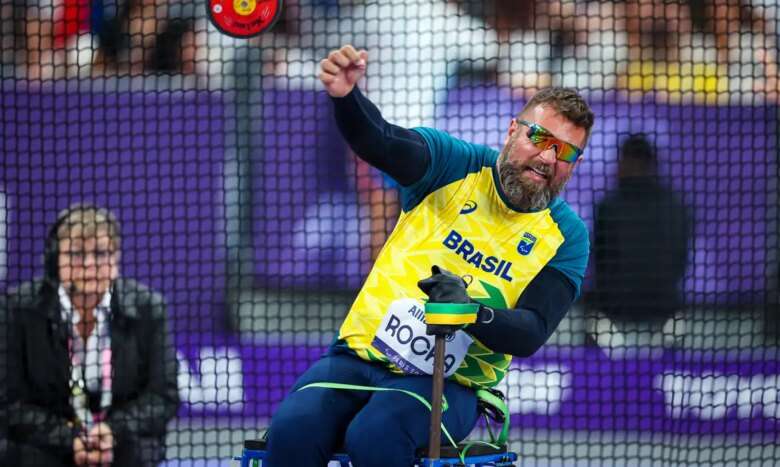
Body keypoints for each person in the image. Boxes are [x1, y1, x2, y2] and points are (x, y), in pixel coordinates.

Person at [264, 44, 594, 467]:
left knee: (375, 436)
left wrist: (467, 311)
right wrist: (347, 98)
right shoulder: (453, 165)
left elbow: (531, 331)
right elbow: (379, 140)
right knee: (292, 432)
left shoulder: (567, 235)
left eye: (566, 151)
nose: (549, 157)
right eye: (539, 137)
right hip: (358, 357)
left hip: (451, 386)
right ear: (513, 130)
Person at [5, 203, 179, 467]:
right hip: (44, 443)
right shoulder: (19, 309)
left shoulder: (149, 308)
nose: (89, 265)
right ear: (56, 261)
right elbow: (8, 402)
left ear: (116, 260)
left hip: (120, 443)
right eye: (76, 254)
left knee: (141, 453)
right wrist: (69, 439)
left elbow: (163, 396)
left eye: (100, 253)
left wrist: (112, 432)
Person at [589, 134, 691, 356]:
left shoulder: (611, 205)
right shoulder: (674, 204)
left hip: (616, 309)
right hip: (664, 309)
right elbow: (681, 258)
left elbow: (600, 260)